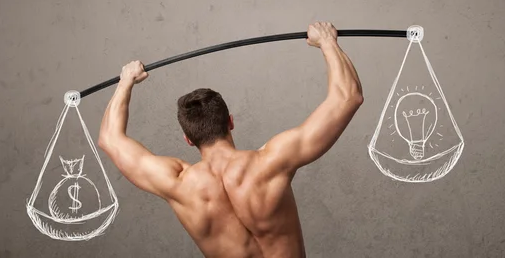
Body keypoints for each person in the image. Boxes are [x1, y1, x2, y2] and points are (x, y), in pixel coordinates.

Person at [98, 22, 364, 258]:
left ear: (188, 139)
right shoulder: (271, 162)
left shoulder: (179, 184)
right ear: (231, 122)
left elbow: (110, 139)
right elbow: (348, 97)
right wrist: (327, 42)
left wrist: (125, 82)